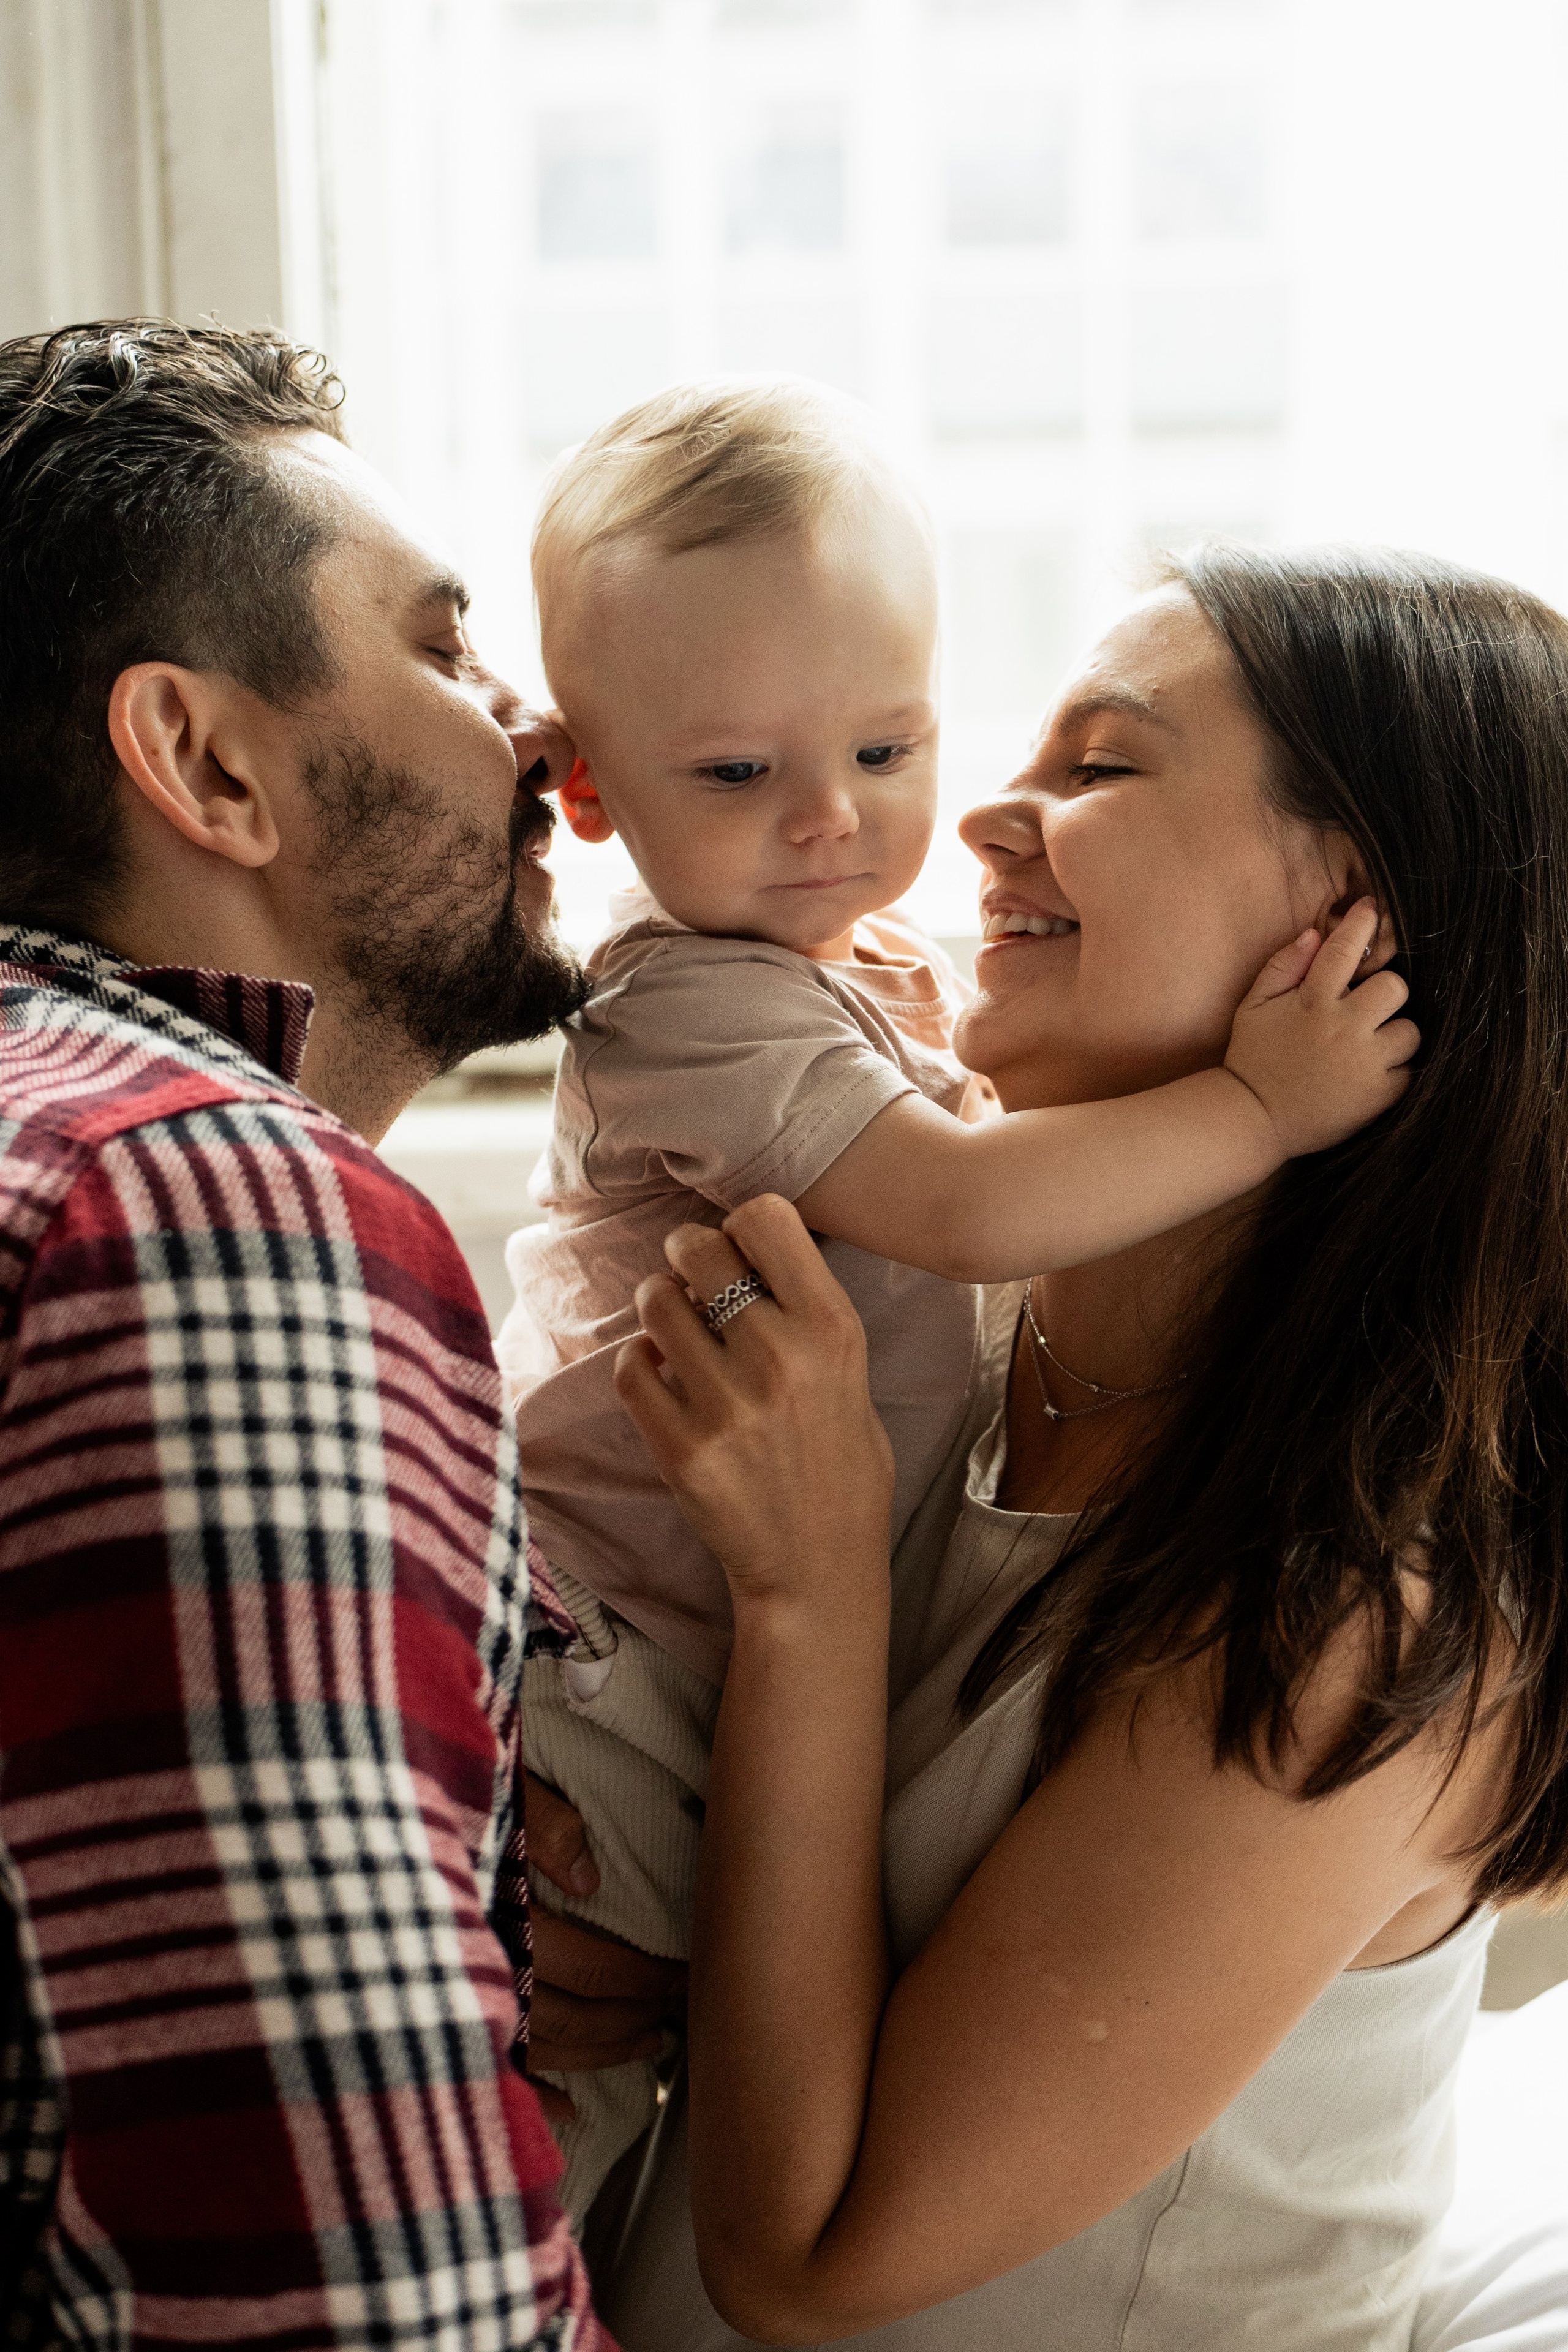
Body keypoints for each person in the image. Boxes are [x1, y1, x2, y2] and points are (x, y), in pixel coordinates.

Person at [601, 546, 1568, 2348]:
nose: (981, 815)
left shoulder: (1351, 1618)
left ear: (1358, 921)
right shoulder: (936, 1349)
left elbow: (811, 2264)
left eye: (1101, 765)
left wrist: (810, 1594)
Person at [500, 382, 1414, 2216]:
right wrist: (1255, 1106)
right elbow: (969, 1206)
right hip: (606, 1652)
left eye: (891, 745)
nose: (854, 821)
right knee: (525, 2119)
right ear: (591, 792)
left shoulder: (1345, 1594)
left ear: (1358, 911)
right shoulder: (691, 1002)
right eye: (737, 775)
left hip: (681, 1646)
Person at [0, 317, 663, 2347]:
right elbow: (367, 2297)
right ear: (208, 765)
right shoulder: (196, 1198)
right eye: (448, 650)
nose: (542, 726)